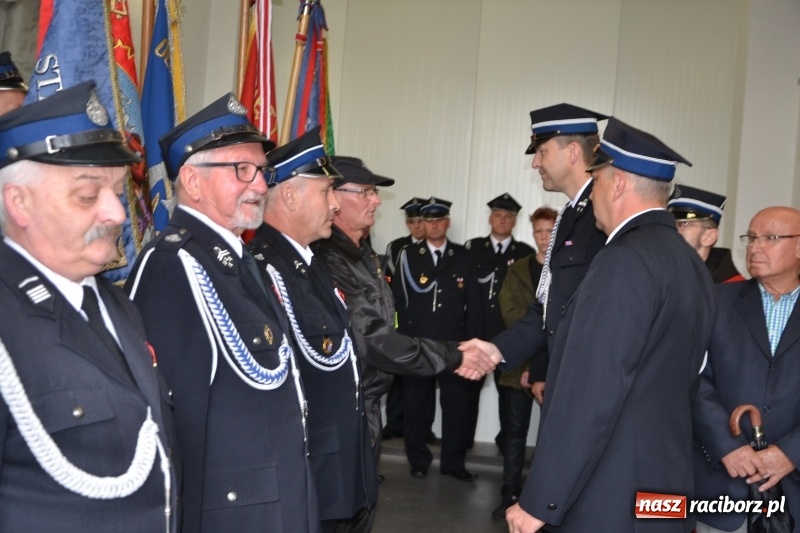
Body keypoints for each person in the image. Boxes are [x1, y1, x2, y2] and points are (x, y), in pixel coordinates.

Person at [462, 117, 716, 532]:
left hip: (611, 490)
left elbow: (593, 390)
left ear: (617, 184)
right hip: (665, 485)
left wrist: (541, 500)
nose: (591, 192)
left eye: (596, 180)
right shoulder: (689, 263)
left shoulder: (623, 260)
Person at [125, 94, 319, 532]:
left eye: (261, 171)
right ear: (193, 181)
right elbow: (173, 424)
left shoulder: (238, 261)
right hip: (230, 513)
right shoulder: (173, 266)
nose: (261, 186)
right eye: (241, 170)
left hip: (278, 501)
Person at [0, 81, 178, 531]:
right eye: (87, 195)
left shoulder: (117, 306)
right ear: (19, 202)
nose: (117, 214)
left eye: (117, 192)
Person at [313, 156, 496, 476]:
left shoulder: (363, 254)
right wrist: (454, 355)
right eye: (367, 191)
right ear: (334, 197)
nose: (376, 200)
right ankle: (418, 463)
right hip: (345, 404)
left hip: (367, 402)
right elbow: (370, 335)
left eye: (374, 192)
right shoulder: (329, 257)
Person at [245, 131, 377, 532]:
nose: (335, 203)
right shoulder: (264, 269)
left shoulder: (309, 261)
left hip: (339, 464)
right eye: (326, 192)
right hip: (311, 467)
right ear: (289, 195)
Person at [482, 103, 609, 402]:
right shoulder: (570, 215)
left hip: (590, 383)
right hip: (565, 375)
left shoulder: (604, 213)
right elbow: (550, 308)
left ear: (572, 152)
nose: (535, 163)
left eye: (542, 152)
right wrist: (498, 350)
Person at [692, 206, 800, 533]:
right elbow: (693, 380)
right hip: (724, 488)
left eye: (770, 238)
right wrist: (729, 446)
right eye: (751, 238)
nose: (755, 247)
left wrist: (791, 452)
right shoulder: (715, 300)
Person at [393, 197, 482, 481]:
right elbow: (398, 301)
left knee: (456, 407)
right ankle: (418, 460)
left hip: (455, 344)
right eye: (429, 221)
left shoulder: (464, 256)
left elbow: (474, 303)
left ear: (448, 223)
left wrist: (473, 344)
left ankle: (453, 464)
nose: (434, 226)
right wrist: (400, 340)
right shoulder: (408, 255)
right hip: (418, 343)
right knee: (416, 405)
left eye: (439, 220)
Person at [491, 205, 556, 521]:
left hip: (553, 368)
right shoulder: (517, 269)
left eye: (549, 232)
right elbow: (513, 315)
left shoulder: (567, 270)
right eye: (539, 232)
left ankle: (544, 501)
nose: (543, 238)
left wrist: (539, 367)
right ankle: (509, 495)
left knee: (551, 436)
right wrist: (530, 364)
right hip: (518, 366)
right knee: (514, 434)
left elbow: (563, 323)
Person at [465, 193, 534, 452]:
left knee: (509, 395)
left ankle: (506, 444)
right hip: (478, 332)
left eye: (508, 216)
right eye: (497, 215)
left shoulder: (525, 254)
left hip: (509, 336)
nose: (502, 220)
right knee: (469, 390)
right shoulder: (473, 249)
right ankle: (464, 443)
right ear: (490, 219)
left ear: (515, 221)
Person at [381, 196, 427, 442]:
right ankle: (394, 422)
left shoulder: (435, 248)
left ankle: (423, 428)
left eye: (420, 221)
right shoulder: (396, 247)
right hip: (400, 315)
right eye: (412, 222)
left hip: (426, 319)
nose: (417, 226)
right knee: (397, 369)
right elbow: (388, 280)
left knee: (424, 373)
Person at [668, 184, 745, 283]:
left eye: (682, 224)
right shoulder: (661, 274)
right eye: (668, 223)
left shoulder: (732, 288)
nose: (670, 230)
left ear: (709, 237)